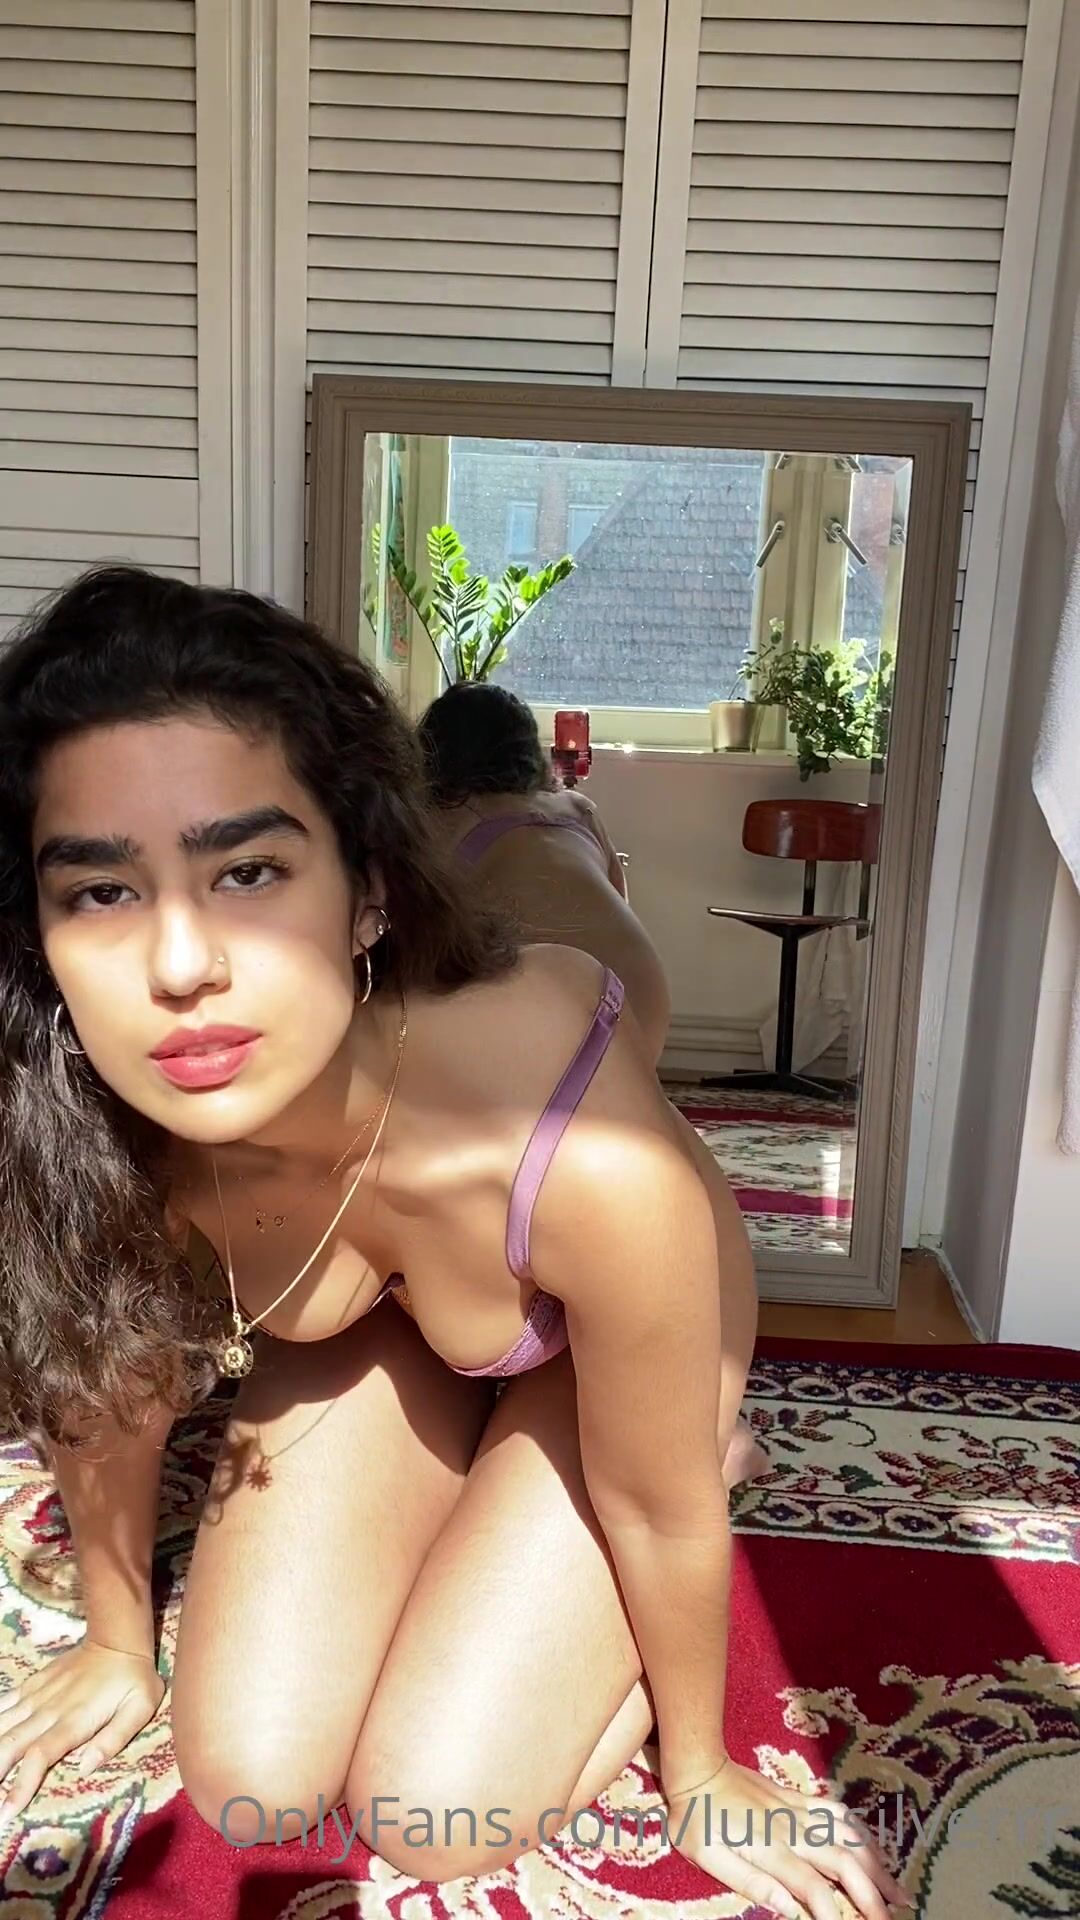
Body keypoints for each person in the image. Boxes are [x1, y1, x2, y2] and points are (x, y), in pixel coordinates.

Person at [0, 567, 908, 1917]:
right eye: (101, 893)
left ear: (367, 893)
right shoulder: (90, 1117)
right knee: (251, 1774)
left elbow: (655, 1512)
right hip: (387, 1319)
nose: (180, 968)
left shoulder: (587, 1160)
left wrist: (704, 1765)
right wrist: (121, 1643)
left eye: (248, 872)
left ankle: (699, 1427)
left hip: (588, 1309)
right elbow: (108, 1382)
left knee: (434, 1812)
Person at [418, 682, 672, 1065]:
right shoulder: (579, 809)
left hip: (541, 1016)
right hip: (641, 1001)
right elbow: (621, 900)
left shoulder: (444, 820)